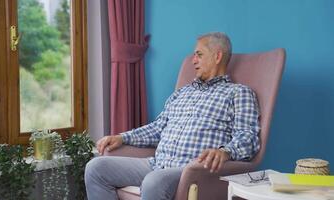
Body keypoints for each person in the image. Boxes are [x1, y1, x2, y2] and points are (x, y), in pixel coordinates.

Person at [85, 32, 260, 200]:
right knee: (95, 167)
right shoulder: (182, 93)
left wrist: (225, 152)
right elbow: (158, 128)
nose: (193, 61)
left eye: (199, 54)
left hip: (191, 170)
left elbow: (249, 137)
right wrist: (122, 137)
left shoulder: (238, 93)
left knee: (153, 182)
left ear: (217, 56)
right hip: (156, 163)